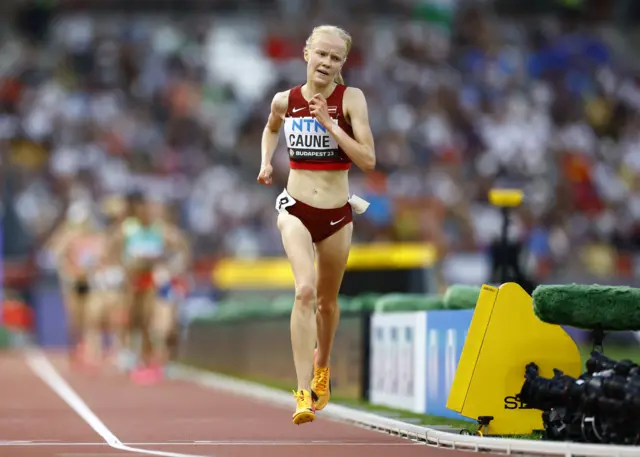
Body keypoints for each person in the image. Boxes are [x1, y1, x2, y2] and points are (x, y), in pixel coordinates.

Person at [257, 24, 375, 425]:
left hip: (338, 215)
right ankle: (302, 392)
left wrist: (331, 124)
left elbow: (369, 161)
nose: (326, 62)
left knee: (327, 302)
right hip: (295, 209)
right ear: (306, 53)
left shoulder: (351, 99)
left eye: (335, 57)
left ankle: (322, 365)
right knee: (304, 292)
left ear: (342, 64)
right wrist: (264, 162)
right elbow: (271, 126)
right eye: (321, 53)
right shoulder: (284, 99)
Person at [109, 192, 188, 384]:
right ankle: (138, 356)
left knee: (161, 322)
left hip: (156, 280)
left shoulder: (161, 230)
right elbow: (113, 250)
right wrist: (121, 268)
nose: (149, 212)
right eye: (145, 208)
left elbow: (182, 247)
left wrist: (173, 267)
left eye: (152, 209)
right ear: (137, 210)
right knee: (136, 320)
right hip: (134, 281)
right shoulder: (128, 229)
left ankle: (160, 359)